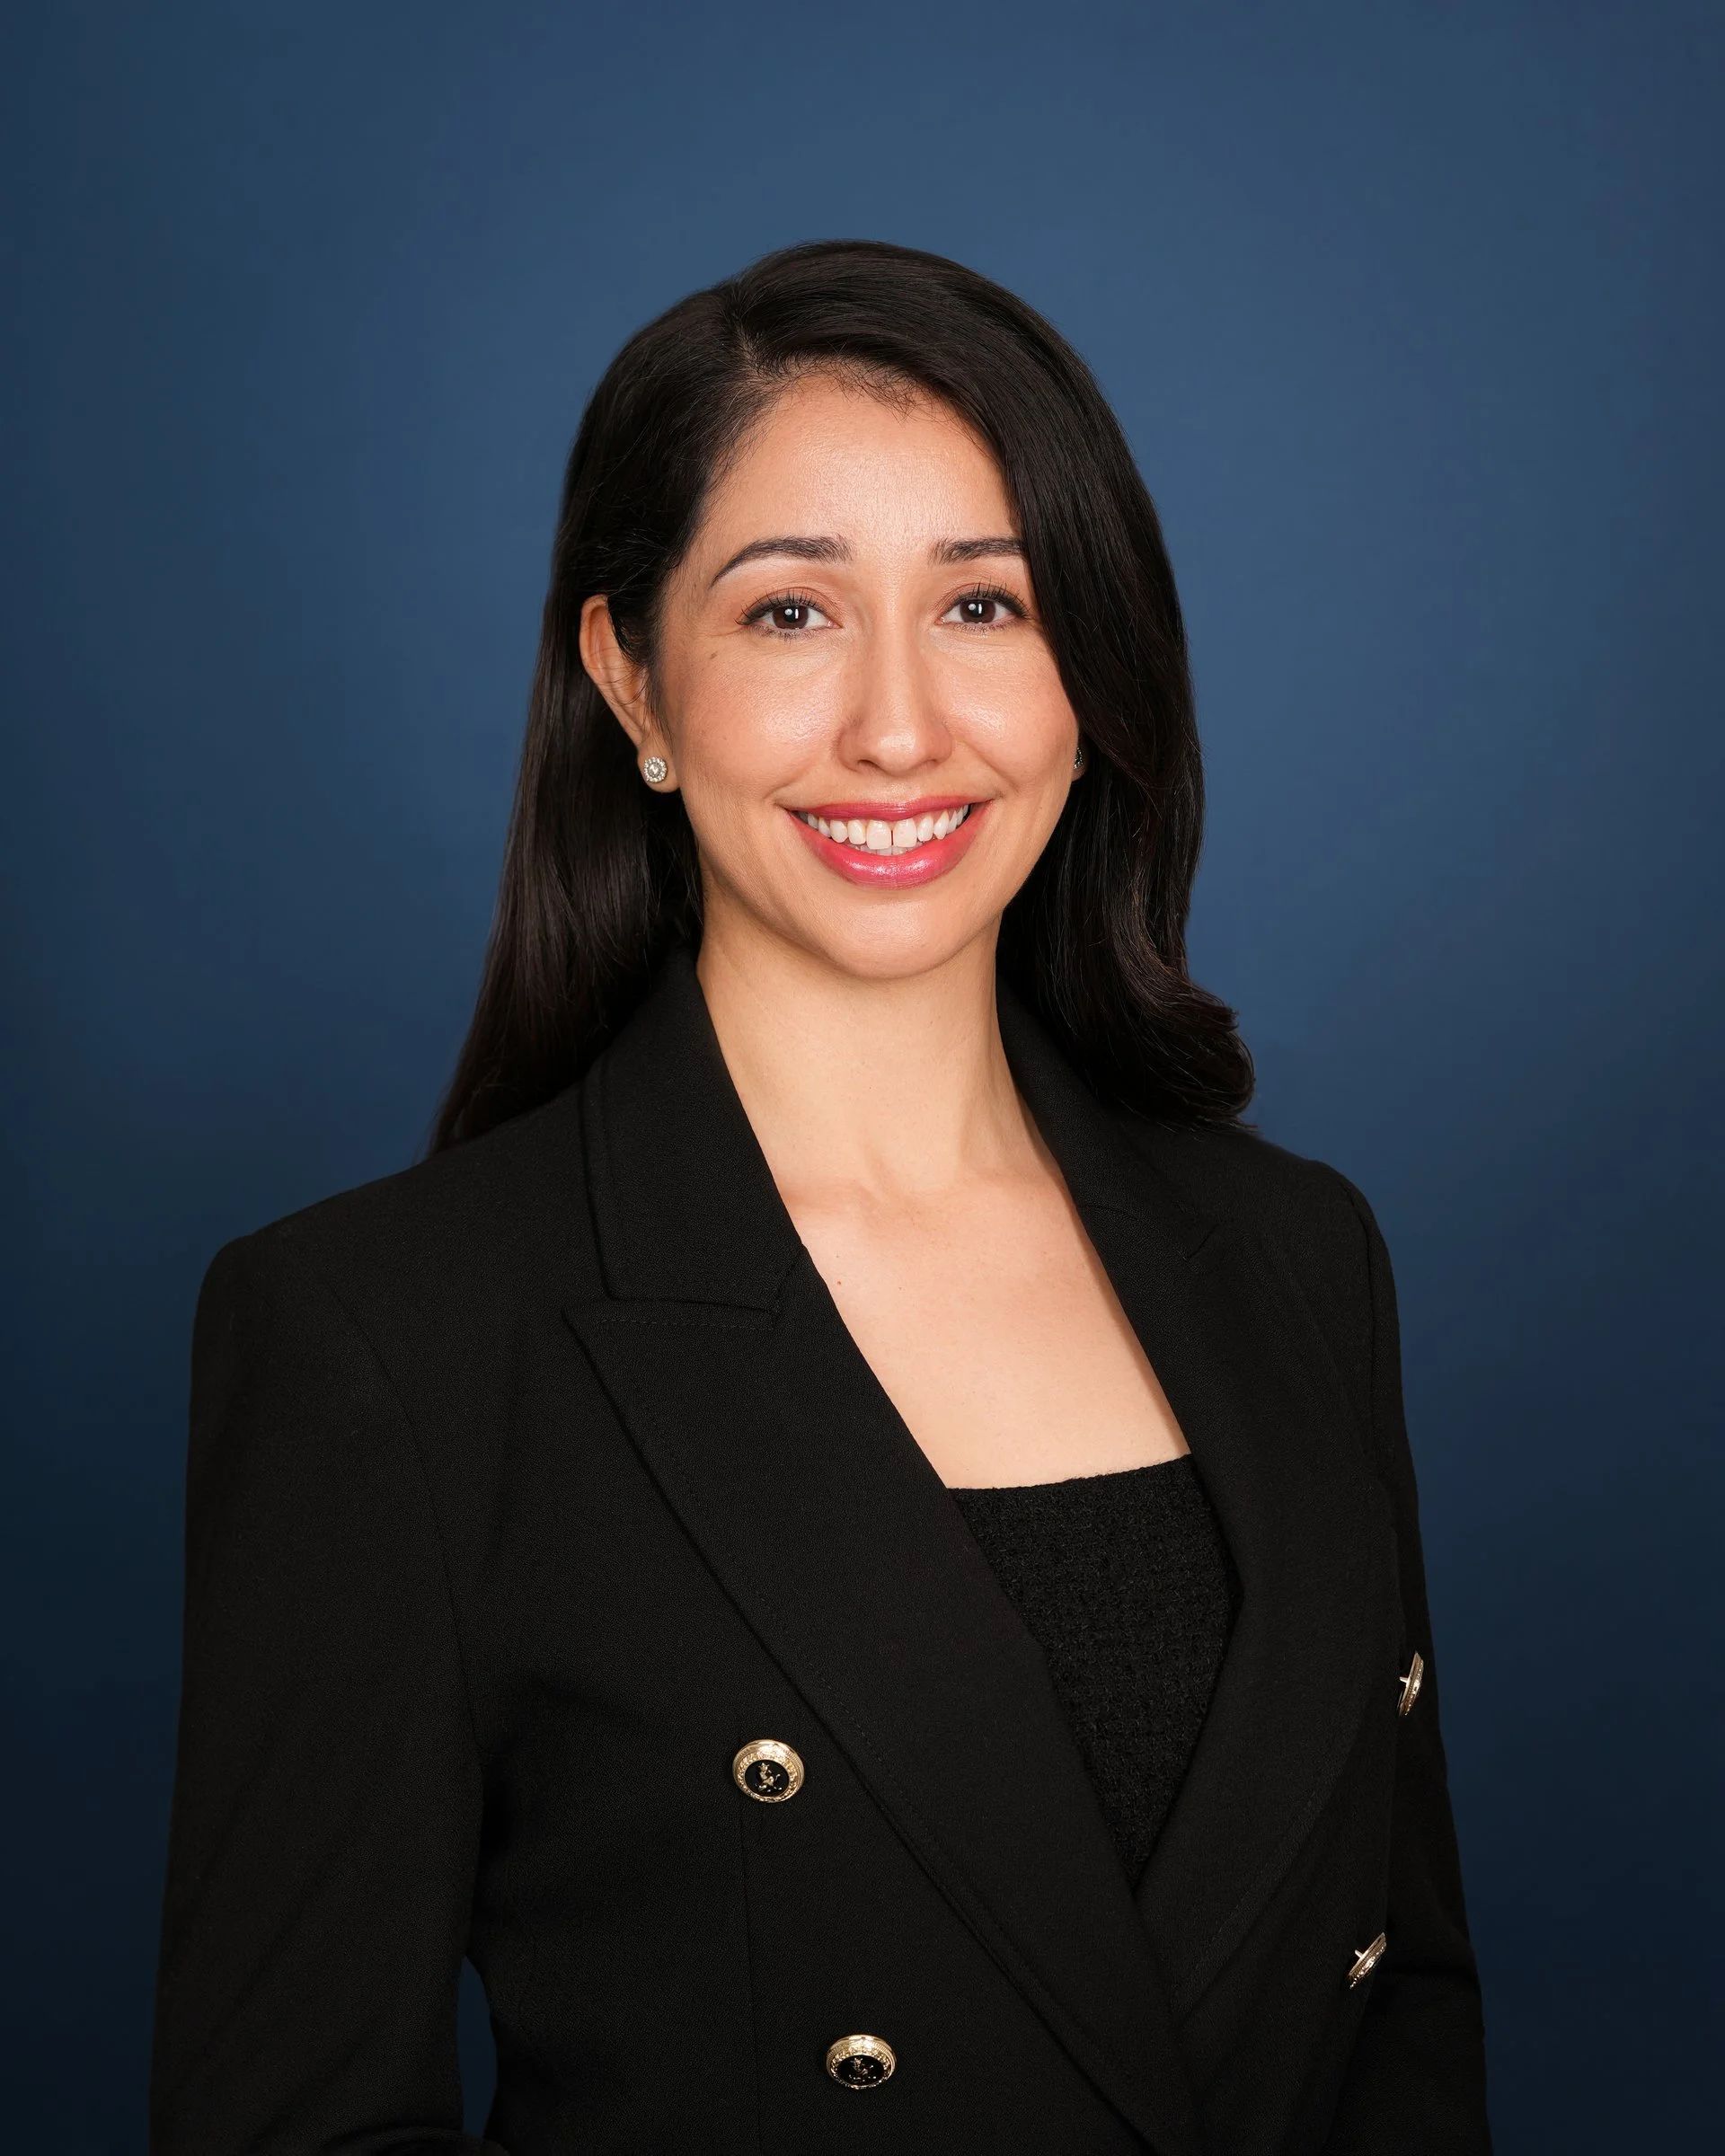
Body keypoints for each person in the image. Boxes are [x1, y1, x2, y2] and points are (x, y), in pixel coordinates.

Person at [148, 237, 1491, 2153]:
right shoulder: (389, 1339)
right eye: (789, 615)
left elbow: (1402, 2031)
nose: (897, 728)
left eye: (989, 606)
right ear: (634, 679)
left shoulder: (1298, 1260)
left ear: (1092, 673)